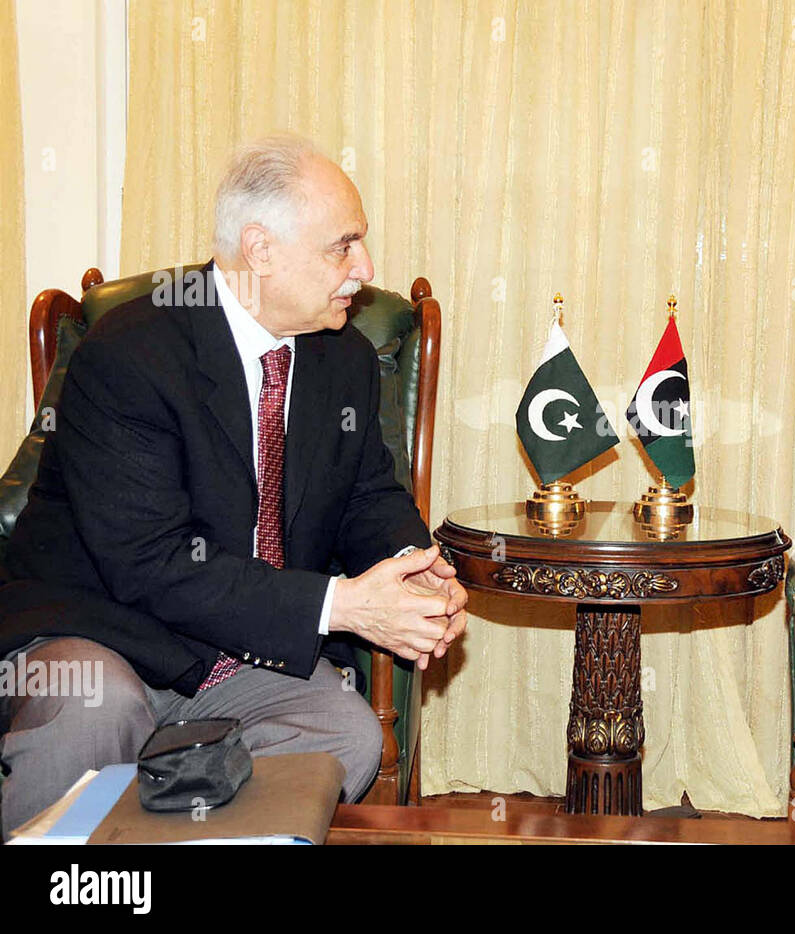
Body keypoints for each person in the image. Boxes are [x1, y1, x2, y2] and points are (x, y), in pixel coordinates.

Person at [0, 135, 465, 837]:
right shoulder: (132, 353)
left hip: (234, 644)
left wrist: (413, 575)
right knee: (98, 708)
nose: (364, 269)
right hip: (101, 629)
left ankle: (162, 833)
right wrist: (344, 605)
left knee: (343, 732)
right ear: (261, 249)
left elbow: (369, 495)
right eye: (344, 245)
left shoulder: (344, 359)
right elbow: (148, 564)